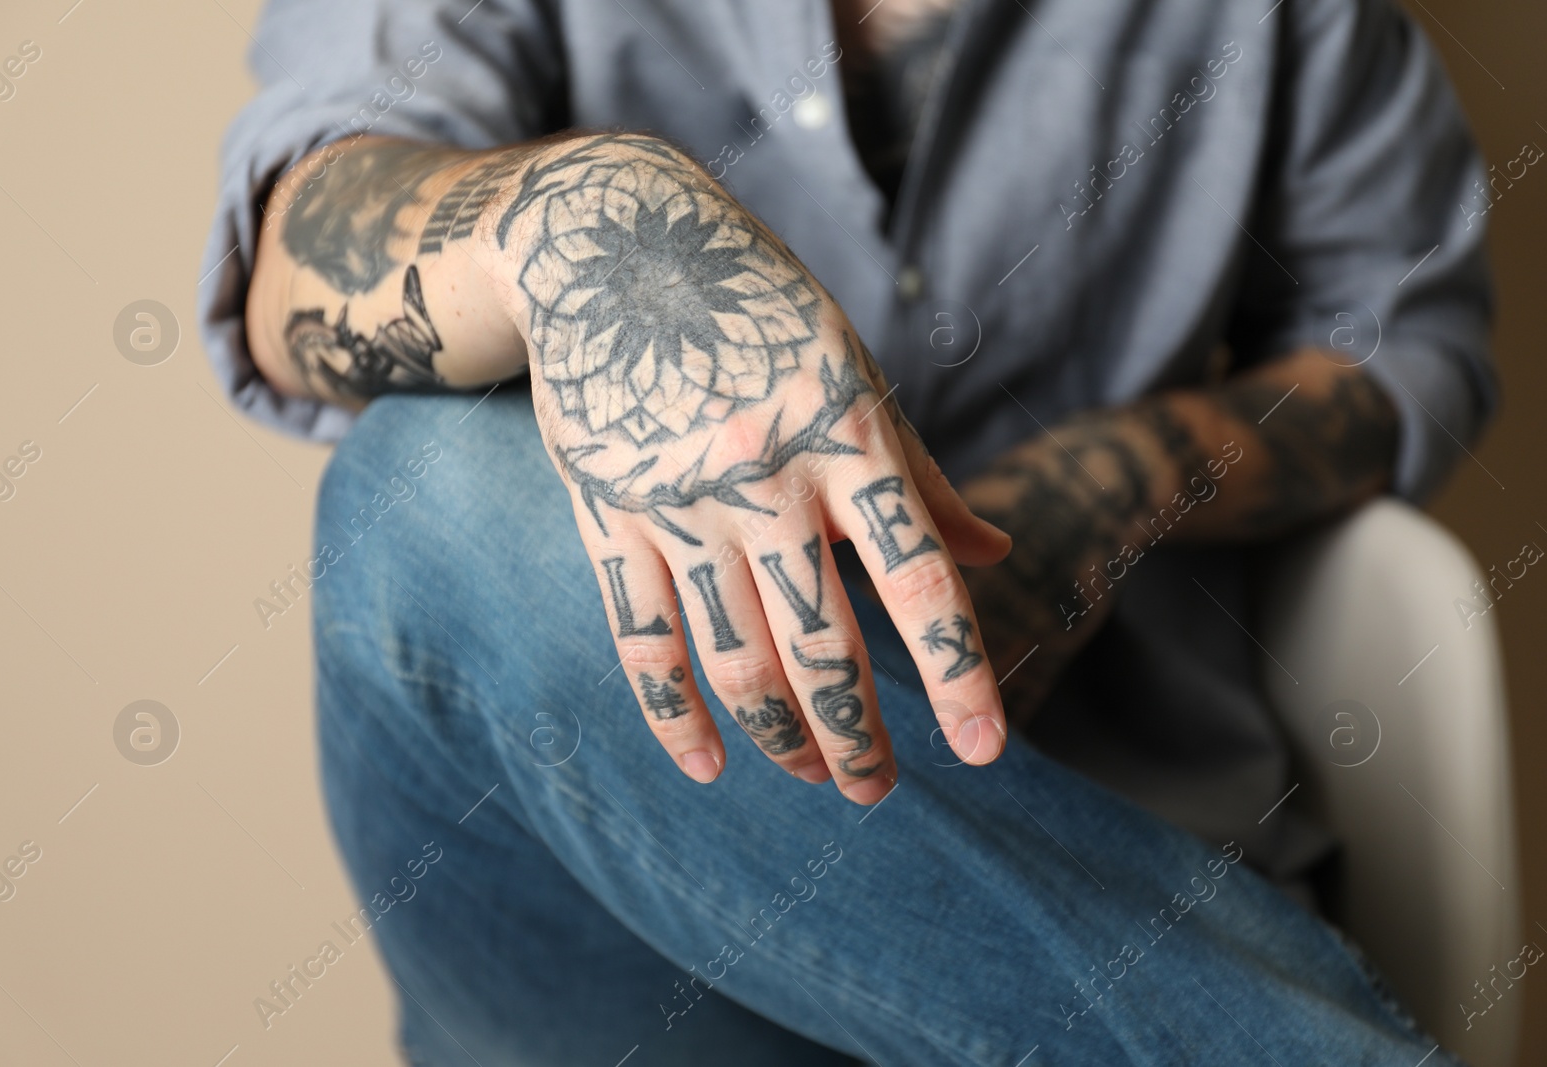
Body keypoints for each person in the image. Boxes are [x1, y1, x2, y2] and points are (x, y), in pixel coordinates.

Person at [200, 0, 1493, 1062]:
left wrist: (1109, 485)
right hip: (631, 945)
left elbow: (1408, 339)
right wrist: (566, 223)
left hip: (1118, 842)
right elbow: (294, 265)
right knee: (421, 483)